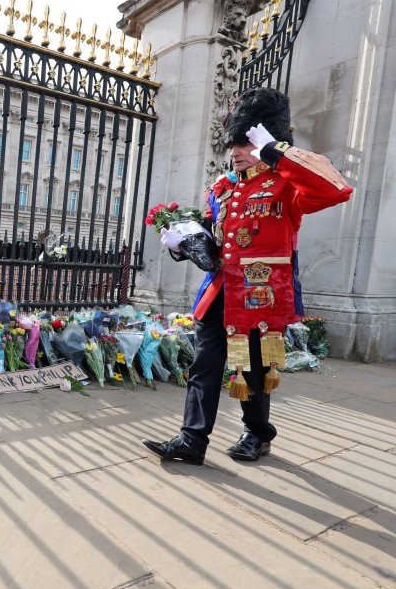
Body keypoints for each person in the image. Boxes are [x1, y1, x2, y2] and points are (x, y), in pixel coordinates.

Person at [142, 88, 353, 464]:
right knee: (204, 365)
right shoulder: (223, 188)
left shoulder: (286, 184)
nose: (235, 151)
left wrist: (276, 151)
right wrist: (183, 241)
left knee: (253, 371)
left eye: (244, 143)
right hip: (220, 290)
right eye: (233, 144)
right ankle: (192, 440)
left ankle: (257, 433)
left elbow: (334, 188)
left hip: (259, 296)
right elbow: (215, 237)